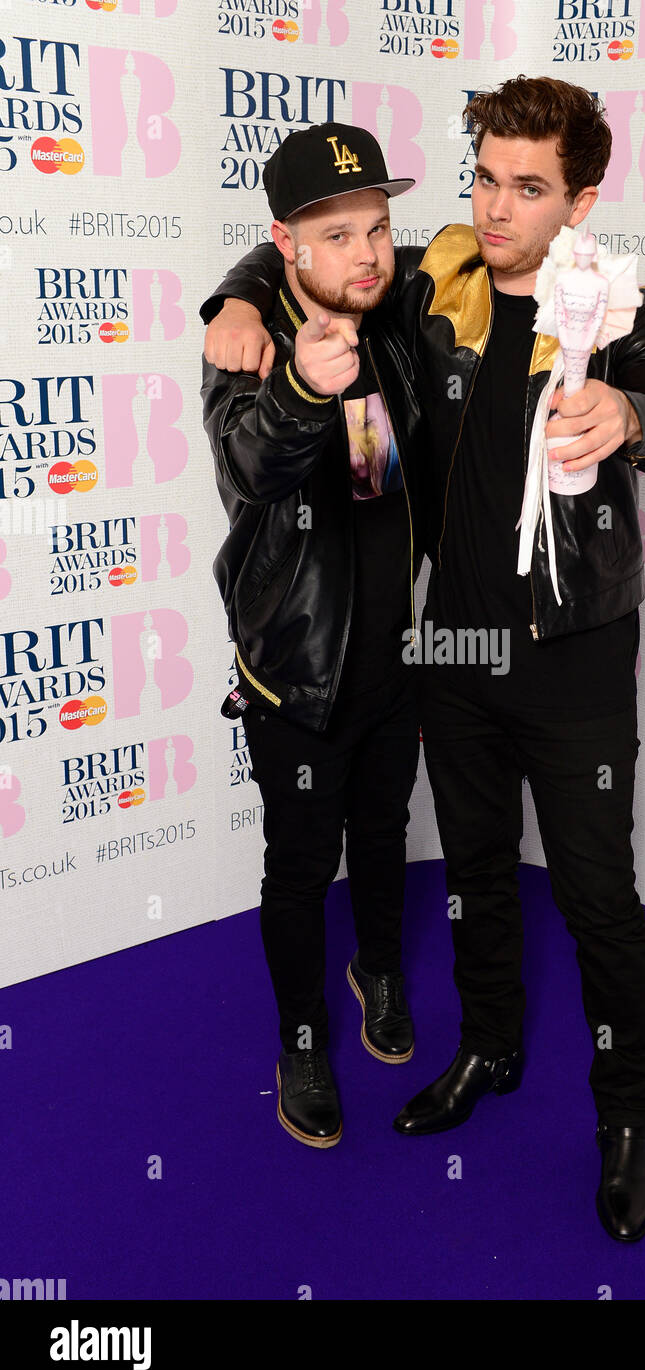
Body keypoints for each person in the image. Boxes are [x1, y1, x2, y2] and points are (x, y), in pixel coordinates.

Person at [201, 77, 645, 1239]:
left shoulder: (627, 314)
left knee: (594, 901)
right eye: (484, 176)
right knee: (478, 874)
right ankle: (488, 1048)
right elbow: (319, 246)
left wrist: (632, 422)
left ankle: (625, 1119)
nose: (496, 205)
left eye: (529, 187)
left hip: (574, 660)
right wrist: (231, 296)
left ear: (582, 197)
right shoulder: (435, 292)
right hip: (453, 653)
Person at [201, 123, 428, 1150]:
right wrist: (296, 379)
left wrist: (243, 278)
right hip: (296, 668)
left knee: (384, 834)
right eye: (337, 235)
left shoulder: (390, 312)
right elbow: (251, 467)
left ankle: (376, 966)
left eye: (377, 227)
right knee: (298, 870)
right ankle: (301, 1038)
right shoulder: (248, 349)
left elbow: (372, 482)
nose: (369, 252)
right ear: (290, 244)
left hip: (392, 656)